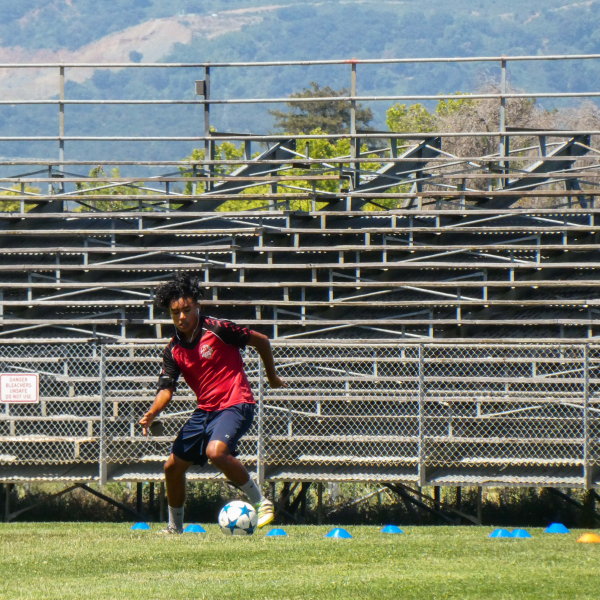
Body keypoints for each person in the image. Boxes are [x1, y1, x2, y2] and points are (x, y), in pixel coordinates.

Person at [139, 273, 285, 534]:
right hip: (205, 411)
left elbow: (261, 340)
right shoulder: (173, 350)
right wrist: (152, 412)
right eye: (175, 313)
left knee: (216, 452)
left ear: (197, 306)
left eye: (186, 310)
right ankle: (175, 529)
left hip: (236, 402)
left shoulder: (218, 329)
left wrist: (272, 377)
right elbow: (166, 389)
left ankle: (262, 503)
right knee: (172, 467)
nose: (181, 317)